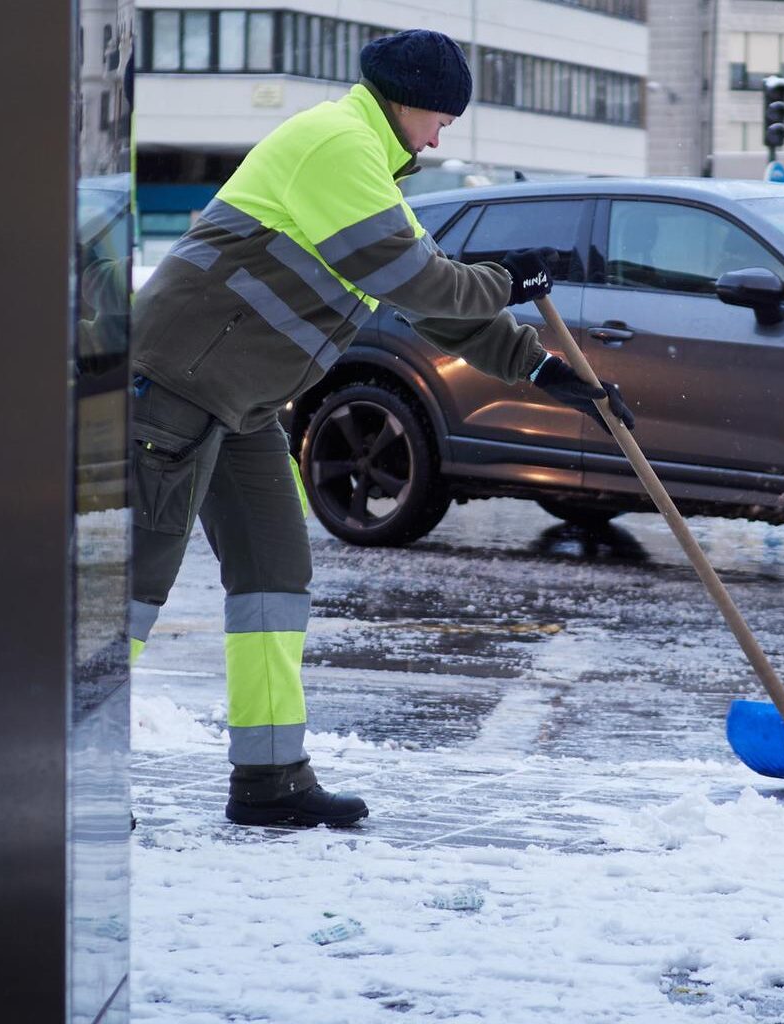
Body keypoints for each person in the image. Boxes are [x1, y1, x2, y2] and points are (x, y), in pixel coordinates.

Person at [127, 29, 634, 829]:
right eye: (442, 115)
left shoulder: (372, 172)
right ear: (407, 99)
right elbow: (408, 275)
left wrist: (543, 371)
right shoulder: (333, 143)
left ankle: (268, 778)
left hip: (246, 403)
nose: (444, 133)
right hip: (177, 385)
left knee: (274, 579)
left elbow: (430, 300)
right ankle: (63, 775)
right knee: (132, 587)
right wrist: (507, 278)